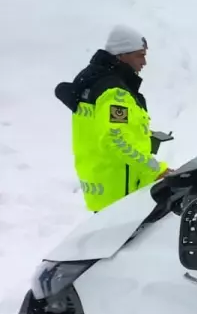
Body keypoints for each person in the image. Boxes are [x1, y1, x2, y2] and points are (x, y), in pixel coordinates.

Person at [55, 24, 172, 212]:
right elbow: (115, 139)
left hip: (103, 185)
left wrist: (142, 134)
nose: (144, 62)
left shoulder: (92, 80)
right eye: (140, 55)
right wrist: (156, 169)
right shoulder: (115, 92)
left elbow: (103, 127)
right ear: (122, 55)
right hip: (121, 192)